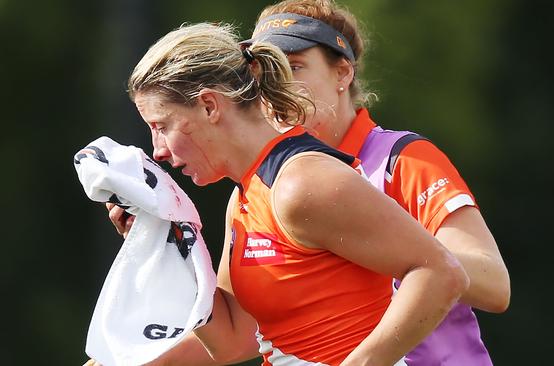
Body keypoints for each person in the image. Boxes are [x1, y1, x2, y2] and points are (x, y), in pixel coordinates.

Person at [93, 21, 470, 366]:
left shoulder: (300, 183)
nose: (157, 149)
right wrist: (169, 244)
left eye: (162, 125)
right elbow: (232, 340)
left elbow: (440, 271)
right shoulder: (244, 195)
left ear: (209, 106)